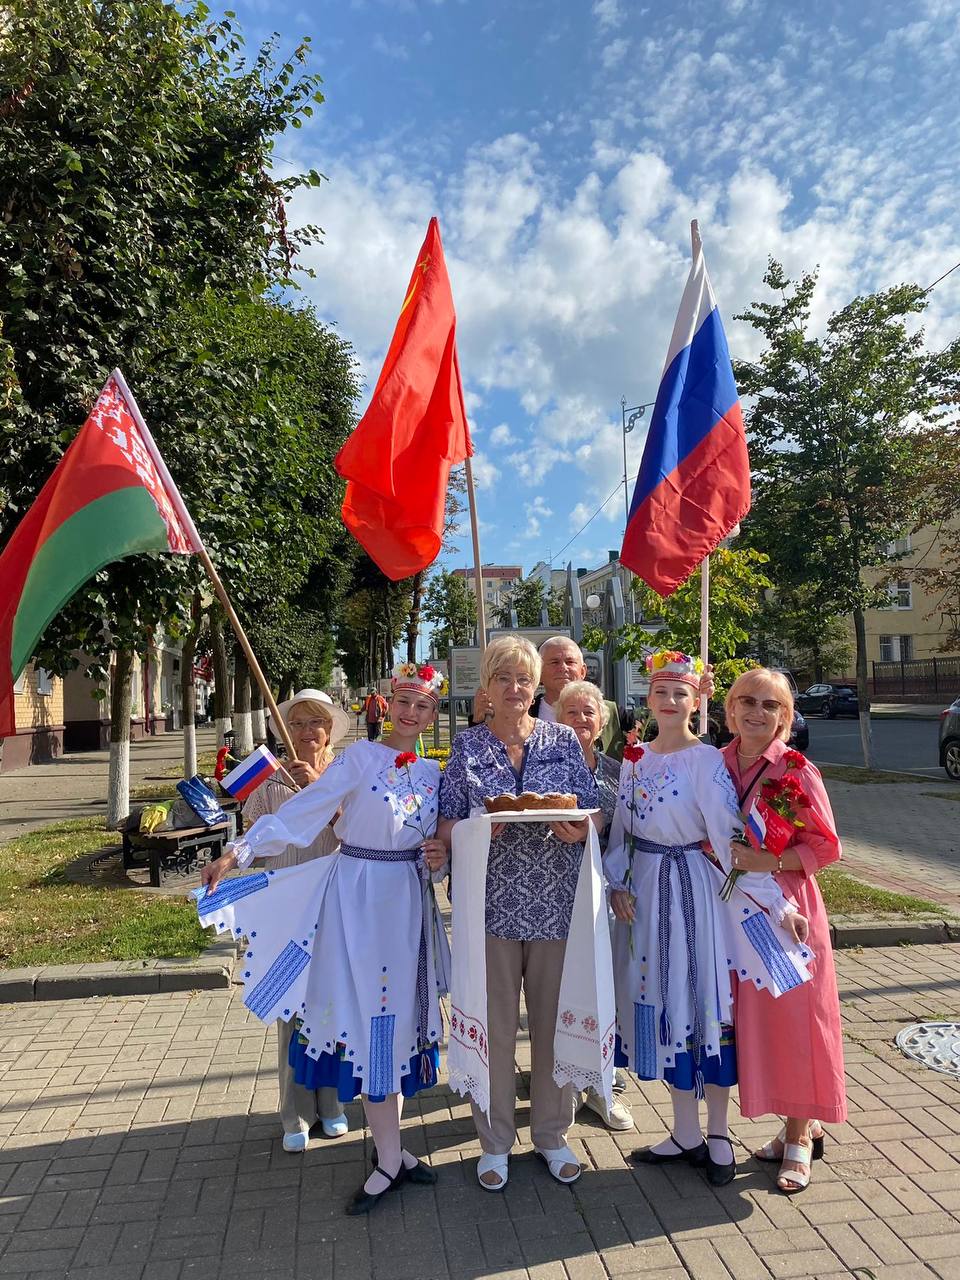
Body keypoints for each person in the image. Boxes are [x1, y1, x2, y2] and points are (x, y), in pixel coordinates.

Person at [196, 663, 449, 1215]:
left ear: (433, 713)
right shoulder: (359, 759)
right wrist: (236, 853)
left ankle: (393, 1149)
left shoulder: (434, 772)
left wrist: (440, 855)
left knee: (401, 1024)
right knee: (374, 1022)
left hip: (408, 904)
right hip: (359, 903)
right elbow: (301, 816)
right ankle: (387, 1159)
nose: (411, 713)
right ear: (387, 704)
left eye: (423, 705)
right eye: (403, 701)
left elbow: (441, 838)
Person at [605, 651, 812, 1187]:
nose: (670, 703)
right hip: (647, 891)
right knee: (658, 999)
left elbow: (728, 838)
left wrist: (779, 903)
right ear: (648, 698)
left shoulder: (704, 762)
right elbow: (621, 832)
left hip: (694, 890)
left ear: (697, 701)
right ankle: (683, 1131)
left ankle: (717, 1133)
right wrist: (618, 882)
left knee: (703, 1002)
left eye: (682, 694)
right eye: (661, 692)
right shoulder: (633, 759)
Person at [437, 636, 603, 1192]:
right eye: (503, 678)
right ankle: (495, 1141)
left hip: (557, 905)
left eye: (524, 680)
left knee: (556, 1024)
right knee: (496, 1030)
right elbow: (445, 824)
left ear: (537, 688)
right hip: (490, 908)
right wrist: (474, 831)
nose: (515, 689)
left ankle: (553, 1134)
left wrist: (582, 829)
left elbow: (591, 815)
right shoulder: (467, 748)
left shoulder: (561, 740)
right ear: (487, 687)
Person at [720, 668, 846, 1194]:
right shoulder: (715, 764)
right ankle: (794, 1120)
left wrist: (770, 860)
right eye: (746, 701)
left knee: (796, 1020)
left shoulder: (795, 771)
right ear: (729, 710)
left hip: (783, 912)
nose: (755, 712)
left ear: (785, 717)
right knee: (757, 1021)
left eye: (769, 705)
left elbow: (826, 846)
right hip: (731, 910)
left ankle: (799, 1136)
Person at [238, 689, 351, 1150]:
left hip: (336, 908)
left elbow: (357, 831)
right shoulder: (269, 783)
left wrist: (318, 794)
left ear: (329, 732)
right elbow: (250, 843)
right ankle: (295, 1113)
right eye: (298, 723)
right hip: (288, 914)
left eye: (315, 723)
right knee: (292, 1010)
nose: (307, 732)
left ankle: (333, 1104)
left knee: (332, 1005)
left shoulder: (345, 775)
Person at [555, 679, 634, 1133]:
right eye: (571, 712)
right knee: (565, 995)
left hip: (603, 896)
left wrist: (619, 881)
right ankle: (564, 1093)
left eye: (589, 712)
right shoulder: (546, 769)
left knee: (604, 992)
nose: (581, 720)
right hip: (558, 898)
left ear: (602, 721)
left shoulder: (617, 770)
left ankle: (604, 1088)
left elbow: (625, 833)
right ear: (558, 721)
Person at [472, 636, 625, 758]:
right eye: (554, 662)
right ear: (539, 673)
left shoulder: (610, 711)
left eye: (570, 662)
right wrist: (476, 721)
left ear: (583, 671)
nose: (563, 668)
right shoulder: (515, 708)